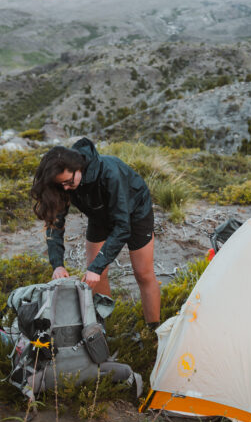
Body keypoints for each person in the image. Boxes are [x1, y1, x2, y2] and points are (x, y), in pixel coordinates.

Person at [30, 138, 161, 328]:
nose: (65, 188)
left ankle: (154, 331)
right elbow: (54, 224)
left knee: (143, 273)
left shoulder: (110, 174)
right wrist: (57, 265)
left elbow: (122, 227)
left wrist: (96, 267)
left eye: (68, 182)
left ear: (78, 168)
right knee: (95, 272)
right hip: (99, 214)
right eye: (61, 185)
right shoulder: (64, 183)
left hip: (135, 213)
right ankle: (104, 325)